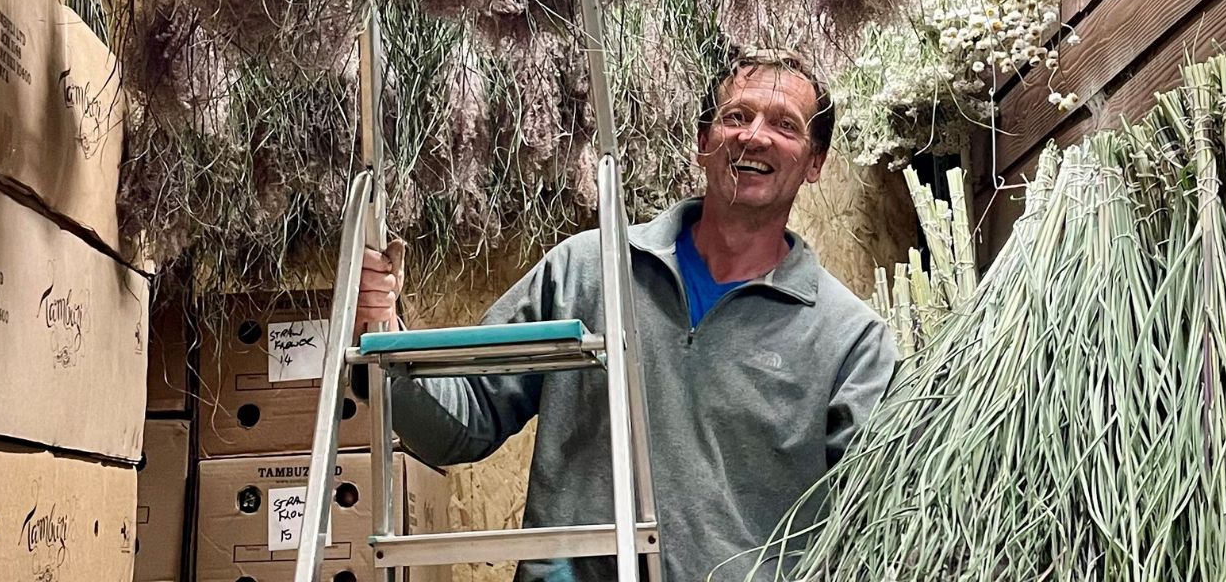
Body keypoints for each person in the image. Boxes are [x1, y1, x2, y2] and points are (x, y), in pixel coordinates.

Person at [355, 48, 896, 582]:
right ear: (703, 142)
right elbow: (463, 421)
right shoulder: (588, 271)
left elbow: (872, 523)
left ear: (815, 163)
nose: (754, 136)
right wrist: (383, 334)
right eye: (737, 116)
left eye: (786, 125)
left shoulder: (850, 340)